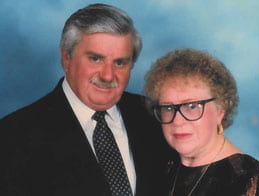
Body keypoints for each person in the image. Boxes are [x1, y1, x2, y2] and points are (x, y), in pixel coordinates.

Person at [0, 4, 174, 196]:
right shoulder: (12, 136)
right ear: (66, 58)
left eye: (120, 62)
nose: (108, 76)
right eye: (95, 59)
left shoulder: (156, 117)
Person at [144, 48, 259, 196]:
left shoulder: (248, 179)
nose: (177, 121)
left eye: (192, 106)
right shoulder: (164, 167)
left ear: (221, 109)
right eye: (168, 107)